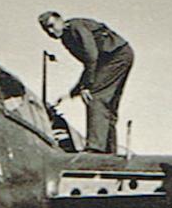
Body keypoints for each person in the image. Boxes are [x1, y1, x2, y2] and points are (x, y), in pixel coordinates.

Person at [38, 12, 134, 154]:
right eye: (47, 30)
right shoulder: (67, 37)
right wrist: (74, 91)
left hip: (115, 56)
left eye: (52, 26)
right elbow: (89, 65)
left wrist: (87, 86)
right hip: (116, 57)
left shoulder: (75, 27)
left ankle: (95, 148)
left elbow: (91, 56)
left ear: (60, 20)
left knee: (95, 97)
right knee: (107, 105)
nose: (51, 32)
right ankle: (109, 151)